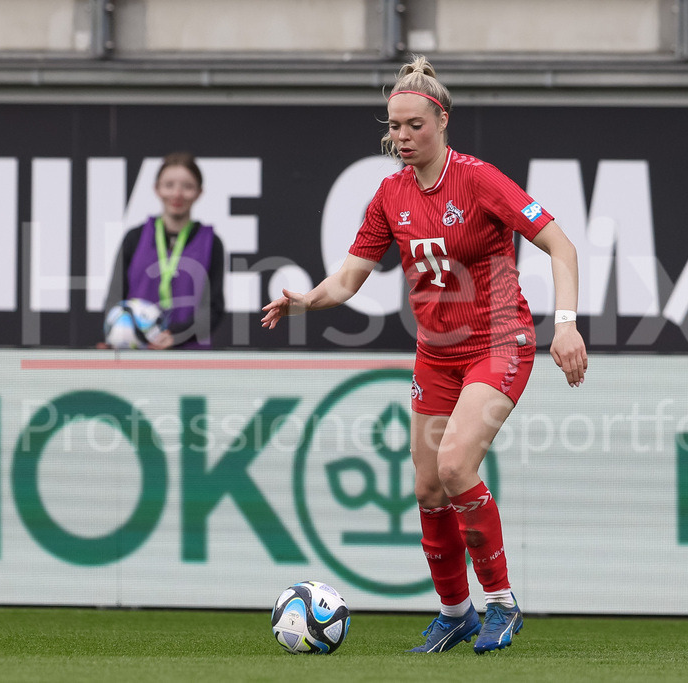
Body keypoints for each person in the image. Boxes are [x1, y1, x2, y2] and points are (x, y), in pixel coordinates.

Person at [261, 55, 587, 654]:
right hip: (437, 355)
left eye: (414, 125)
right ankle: (455, 612)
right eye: (394, 127)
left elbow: (559, 245)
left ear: (441, 120)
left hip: (498, 340)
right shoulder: (390, 196)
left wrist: (565, 324)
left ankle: (502, 604)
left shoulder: (480, 179)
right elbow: (348, 281)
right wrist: (307, 300)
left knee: (457, 464)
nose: (402, 138)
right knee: (428, 488)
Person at [104, 151, 225, 349]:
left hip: (191, 358)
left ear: (199, 192)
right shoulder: (135, 238)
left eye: (187, 186)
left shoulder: (211, 242)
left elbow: (213, 308)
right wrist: (115, 331)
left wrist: (176, 335)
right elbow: (115, 297)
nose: (177, 194)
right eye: (169, 185)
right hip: (139, 353)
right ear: (157, 189)